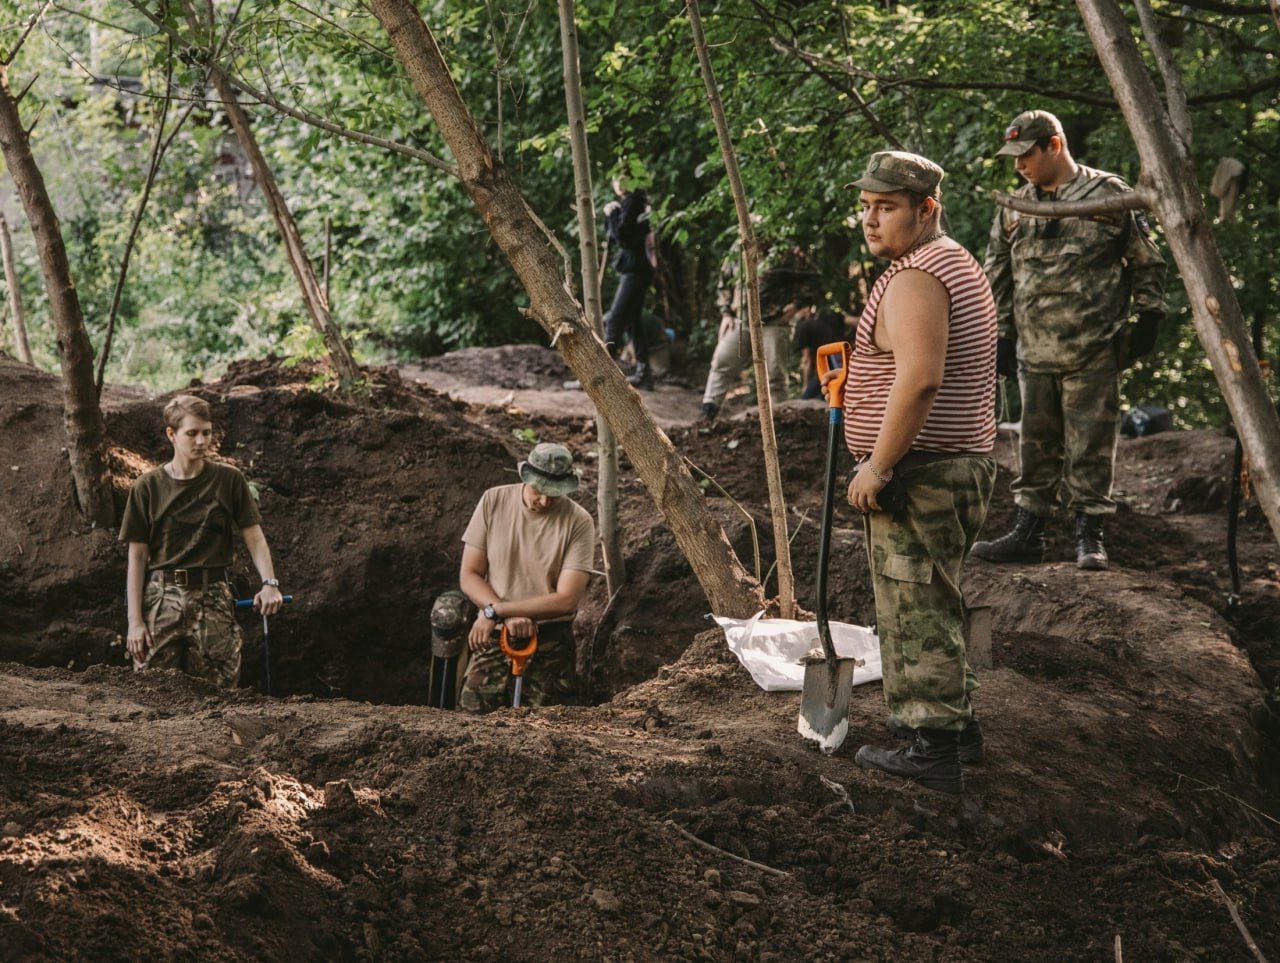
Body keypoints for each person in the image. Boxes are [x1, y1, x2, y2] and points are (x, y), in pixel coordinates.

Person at [827, 150, 997, 795]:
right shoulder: (948, 262)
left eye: (887, 207)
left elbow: (920, 380)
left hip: (921, 472)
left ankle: (932, 750)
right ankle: (957, 729)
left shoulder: (917, 275)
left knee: (916, 606)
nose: (870, 220)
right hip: (952, 465)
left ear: (926, 209)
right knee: (935, 597)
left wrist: (877, 463)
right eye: (866, 205)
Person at [974, 110, 1167, 570]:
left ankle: (1089, 534)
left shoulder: (1109, 194)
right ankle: (1029, 531)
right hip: (1032, 349)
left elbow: (1147, 260)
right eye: (1014, 157)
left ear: (1053, 145)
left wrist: (1150, 315)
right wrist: (996, 333)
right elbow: (994, 272)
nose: (1019, 165)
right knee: (1035, 444)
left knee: (1092, 444)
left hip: (1093, 347)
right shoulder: (1016, 206)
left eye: (1026, 155)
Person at [119, 395, 283, 687]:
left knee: (220, 696)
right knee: (152, 692)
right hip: (161, 599)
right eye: (191, 433)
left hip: (213, 598)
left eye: (206, 432)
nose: (201, 441)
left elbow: (254, 538)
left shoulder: (228, 480)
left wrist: (269, 583)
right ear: (172, 434)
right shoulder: (148, 487)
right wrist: (135, 621)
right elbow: (137, 557)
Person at [441, 443, 595, 712]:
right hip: (493, 634)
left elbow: (567, 599)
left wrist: (495, 611)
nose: (545, 502)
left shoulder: (579, 521)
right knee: (470, 720)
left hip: (549, 638)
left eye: (555, 495)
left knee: (550, 730)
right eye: (540, 492)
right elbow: (470, 574)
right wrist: (504, 616)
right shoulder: (493, 501)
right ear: (526, 478)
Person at [699, 240, 820, 421]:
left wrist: (797, 304)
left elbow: (814, 277)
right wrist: (726, 313)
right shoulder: (736, 248)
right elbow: (724, 283)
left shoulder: (783, 250)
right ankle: (707, 414)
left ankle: (779, 420)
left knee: (775, 374)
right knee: (722, 360)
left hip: (774, 322)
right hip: (742, 321)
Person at [603, 178, 659, 390]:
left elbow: (623, 238)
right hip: (640, 268)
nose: (617, 183)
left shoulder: (633, 202)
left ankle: (603, 375)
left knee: (616, 318)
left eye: (622, 178)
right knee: (633, 320)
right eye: (615, 179)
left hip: (637, 269)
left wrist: (612, 214)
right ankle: (644, 373)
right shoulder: (639, 201)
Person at [794, 306, 850, 400]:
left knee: (820, 386)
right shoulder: (828, 316)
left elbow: (807, 360)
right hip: (844, 352)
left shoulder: (803, 326)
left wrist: (805, 385)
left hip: (829, 358)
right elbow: (853, 321)